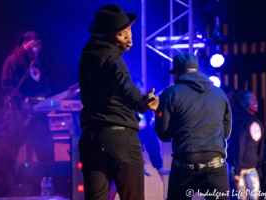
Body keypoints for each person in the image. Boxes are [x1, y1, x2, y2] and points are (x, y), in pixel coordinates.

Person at [78, 4, 159, 200]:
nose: (129, 37)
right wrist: (141, 103)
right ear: (107, 35)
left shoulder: (87, 57)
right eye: (123, 34)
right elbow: (125, 87)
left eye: (129, 30)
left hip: (90, 139)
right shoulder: (113, 61)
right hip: (119, 141)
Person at [154, 52, 232, 200]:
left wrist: (157, 113)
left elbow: (164, 134)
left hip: (185, 167)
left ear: (177, 73)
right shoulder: (220, 93)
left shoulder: (170, 93)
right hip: (215, 167)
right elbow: (226, 133)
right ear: (197, 70)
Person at [0, 31, 54, 196]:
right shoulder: (12, 61)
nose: (37, 47)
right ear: (24, 43)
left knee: (47, 151)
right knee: (8, 155)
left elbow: (47, 85)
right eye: (34, 43)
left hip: (37, 116)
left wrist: (44, 99)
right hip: (17, 116)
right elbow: (7, 85)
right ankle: (1, 192)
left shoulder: (40, 63)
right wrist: (23, 100)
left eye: (39, 43)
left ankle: (49, 187)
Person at [226, 90, 264, 200]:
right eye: (252, 99)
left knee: (254, 198)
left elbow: (260, 147)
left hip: (252, 168)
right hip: (237, 168)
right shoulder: (239, 119)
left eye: (256, 99)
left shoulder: (258, 122)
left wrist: (259, 168)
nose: (256, 101)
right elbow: (238, 144)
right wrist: (237, 171)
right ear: (242, 103)